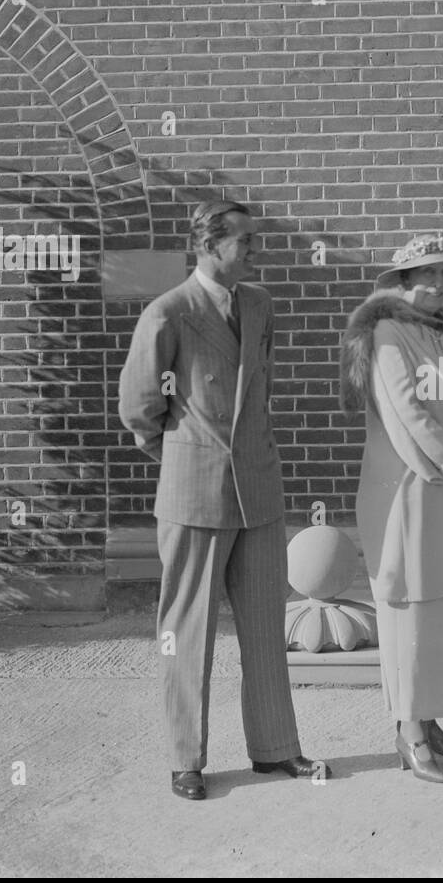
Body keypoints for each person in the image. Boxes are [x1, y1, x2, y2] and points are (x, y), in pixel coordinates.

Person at [118, 200, 330, 801]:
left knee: (266, 625)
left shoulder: (260, 306)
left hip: (258, 492)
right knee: (188, 631)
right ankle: (186, 759)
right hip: (194, 495)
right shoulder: (170, 312)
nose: (256, 249)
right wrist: (183, 456)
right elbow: (139, 405)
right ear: (211, 244)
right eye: (246, 240)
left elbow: (258, 389)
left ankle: (275, 749)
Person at [339, 233, 443, 784]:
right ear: (403, 281)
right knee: (413, 603)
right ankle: (408, 733)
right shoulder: (386, 334)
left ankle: (429, 721)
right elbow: (408, 414)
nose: (439, 284)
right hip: (410, 490)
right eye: (428, 274)